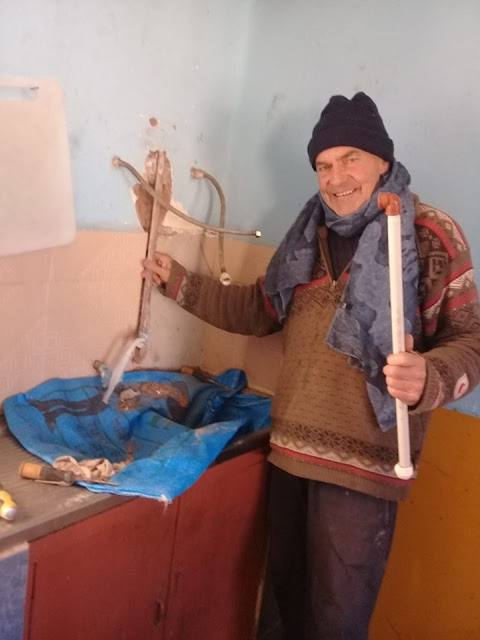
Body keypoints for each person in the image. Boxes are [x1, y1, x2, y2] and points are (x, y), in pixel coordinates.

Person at [142, 92, 480, 639]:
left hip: (366, 472)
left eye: (351, 159)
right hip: (292, 453)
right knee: (278, 616)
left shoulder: (427, 233)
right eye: (323, 164)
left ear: (383, 163)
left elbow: (471, 340)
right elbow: (259, 309)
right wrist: (177, 281)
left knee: (334, 626)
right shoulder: (307, 236)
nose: (336, 177)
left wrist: (430, 377)